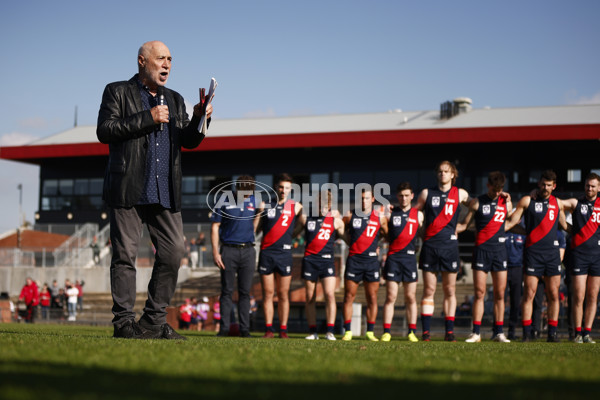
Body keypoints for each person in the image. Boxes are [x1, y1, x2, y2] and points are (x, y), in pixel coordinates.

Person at [97, 41, 213, 340]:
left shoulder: (174, 99)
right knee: (125, 256)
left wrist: (201, 117)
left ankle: (153, 321)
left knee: (174, 252)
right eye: (161, 58)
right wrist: (148, 118)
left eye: (170, 60)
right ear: (142, 61)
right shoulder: (117, 91)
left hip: (164, 189)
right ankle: (124, 323)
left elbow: (188, 140)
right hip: (127, 187)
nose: (167, 65)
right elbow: (105, 130)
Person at [505, 170, 568, 342]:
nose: (545, 188)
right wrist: (493, 230)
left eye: (549, 185)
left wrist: (586, 232)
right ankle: (526, 334)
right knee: (529, 294)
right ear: (538, 184)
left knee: (554, 295)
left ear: (554, 186)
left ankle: (552, 334)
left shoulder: (558, 204)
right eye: (543, 184)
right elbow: (511, 223)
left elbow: (564, 225)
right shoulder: (527, 200)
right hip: (533, 253)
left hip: (552, 255)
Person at [416, 161, 470, 342]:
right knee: (429, 289)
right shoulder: (426, 193)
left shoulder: (460, 193)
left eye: (446, 172)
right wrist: (422, 232)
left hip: (450, 247)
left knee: (450, 290)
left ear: (453, 174)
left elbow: (477, 207)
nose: (442, 174)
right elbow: (413, 214)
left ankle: (449, 332)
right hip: (430, 246)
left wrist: (463, 226)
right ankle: (426, 332)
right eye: (439, 171)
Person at [458, 171, 512, 343]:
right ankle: (476, 333)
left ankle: (498, 332)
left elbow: (512, 220)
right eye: (494, 189)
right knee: (479, 292)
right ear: (488, 185)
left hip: (500, 251)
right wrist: (448, 231)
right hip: (481, 250)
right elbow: (465, 225)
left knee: (500, 294)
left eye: (500, 189)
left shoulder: (506, 202)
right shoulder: (477, 202)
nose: (497, 193)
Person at [256, 173, 303, 339]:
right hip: (267, 253)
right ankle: (269, 329)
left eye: (287, 188)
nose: (283, 190)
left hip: (284, 254)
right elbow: (256, 229)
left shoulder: (296, 207)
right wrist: (258, 213)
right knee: (268, 293)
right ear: (276, 187)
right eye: (281, 187)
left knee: (283, 294)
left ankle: (283, 330)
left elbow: (302, 225)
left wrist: (292, 236)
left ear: (291, 190)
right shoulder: (265, 205)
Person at [211, 175, 258, 337]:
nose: (246, 195)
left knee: (245, 292)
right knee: (227, 291)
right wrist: (215, 252)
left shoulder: (254, 200)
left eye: (249, 192)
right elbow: (215, 226)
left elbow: (254, 223)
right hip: (228, 251)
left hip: (248, 251)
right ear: (237, 188)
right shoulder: (224, 199)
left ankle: (245, 329)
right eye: (243, 191)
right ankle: (224, 329)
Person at [342, 187, 388, 341]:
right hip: (354, 260)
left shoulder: (380, 217)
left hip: (371, 262)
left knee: (372, 298)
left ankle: (370, 332)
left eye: (367, 198)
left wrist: (377, 244)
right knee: (349, 296)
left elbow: (386, 235)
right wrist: (350, 243)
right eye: (361, 198)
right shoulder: (350, 215)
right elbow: (341, 230)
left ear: (373, 199)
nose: (364, 201)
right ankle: (348, 331)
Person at [298, 190, 345, 341]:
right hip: (310, 260)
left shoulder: (336, 220)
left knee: (330, 295)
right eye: (319, 203)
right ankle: (313, 332)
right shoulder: (306, 218)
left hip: (327, 261)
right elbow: (292, 232)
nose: (321, 207)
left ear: (329, 205)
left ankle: (330, 331)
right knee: (309, 297)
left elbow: (349, 237)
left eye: (325, 204)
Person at [381, 182, 423, 342]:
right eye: (401, 196)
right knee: (391, 296)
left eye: (407, 195)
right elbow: (385, 234)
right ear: (397, 197)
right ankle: (386, 332)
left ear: (412, 196)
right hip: (394, 258)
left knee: (410, 297)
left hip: (410, 259)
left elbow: (422, 234)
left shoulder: (418, 215)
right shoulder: (391, 214)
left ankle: (412, 332)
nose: (404, 198)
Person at [562, 172, 600, 343]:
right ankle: (577, 333)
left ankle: (586, 333)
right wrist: (566, 227)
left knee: (593, 296)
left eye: (593, 186)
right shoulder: (576, 202)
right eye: (587, 185)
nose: (589, 188)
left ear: (598, 188)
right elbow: (556, 204)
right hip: (579, 255)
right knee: (579, 295)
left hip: (597, 256)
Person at [504, 229, 526, 340]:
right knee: (500, 299)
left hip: (517, 269)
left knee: (515, 301)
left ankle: (511, 331)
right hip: (503, 268)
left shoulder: (521, 232)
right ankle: (497, 330)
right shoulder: (503, 230)